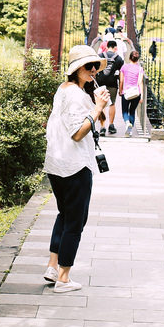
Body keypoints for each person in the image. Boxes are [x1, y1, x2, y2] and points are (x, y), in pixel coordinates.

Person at [43, 44, 111, 293]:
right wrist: (97, 108)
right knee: (76, 221)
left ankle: (52, 267)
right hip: (74, 166)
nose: (94, 70)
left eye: (96, 66)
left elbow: (92, 125)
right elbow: (77, 133)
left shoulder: (65, 90)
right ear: (76, 69)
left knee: (64, 215)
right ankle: (63, 278)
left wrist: (96, 106)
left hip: (58, 163)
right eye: (88, 66)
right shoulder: (75, 95)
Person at [95, 40, 123, 134]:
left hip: (100, 82)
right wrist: (121, 88)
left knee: (102, 104)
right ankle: (111, 125)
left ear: (106, 47)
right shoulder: (119, 59)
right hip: (113, 83)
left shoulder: (100, 56)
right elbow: (121, 75)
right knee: (112, 103)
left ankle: (102, 127)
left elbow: (95, 69)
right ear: (115, 48)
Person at [119, 50, 145, 137]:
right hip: (136, 93)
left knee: (125, 111)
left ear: (129, 58)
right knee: (132, 111)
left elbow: (121, 80)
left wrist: (120, 90)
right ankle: (129, 131)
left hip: (126, 92)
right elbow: (140, 82)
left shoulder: (124, 67)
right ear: (137, 59)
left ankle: (127, 123)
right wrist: (141, 95)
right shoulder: (140, 69)